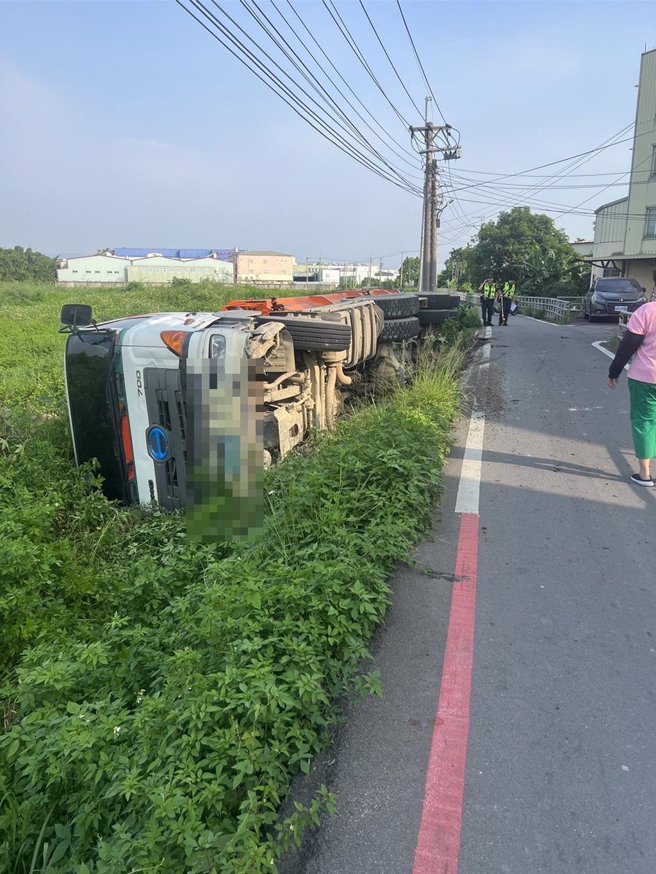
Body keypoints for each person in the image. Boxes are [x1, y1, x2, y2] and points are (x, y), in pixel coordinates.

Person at [608, 300, 656, 486]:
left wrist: (614, 372)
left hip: (646, 377)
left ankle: (645, 474)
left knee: (644, 421)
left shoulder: (647, 311)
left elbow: (628, 344)